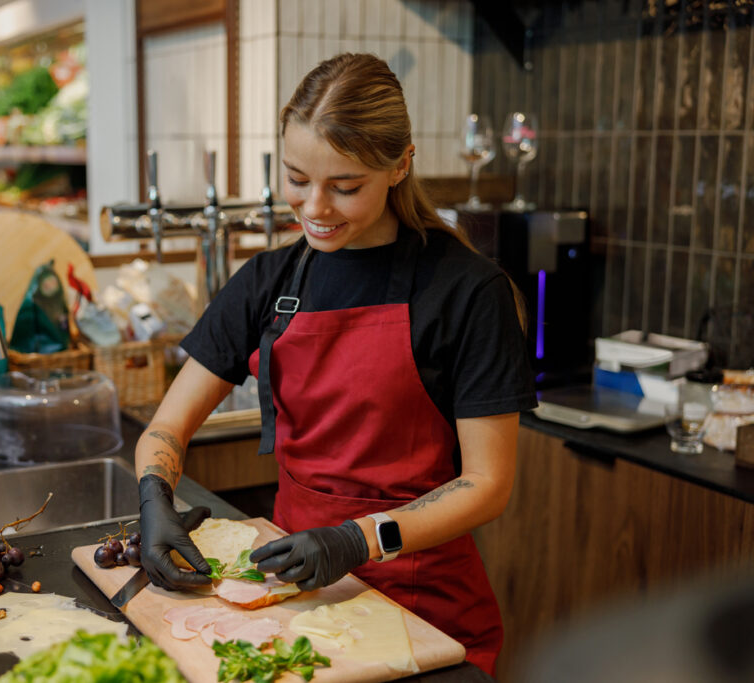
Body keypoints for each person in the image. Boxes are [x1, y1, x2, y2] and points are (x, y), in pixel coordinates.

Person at [135, 52, 536, 675]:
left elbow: (488, 485)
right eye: (298, 179)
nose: (315, 207)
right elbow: (167, 426)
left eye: (345, 187)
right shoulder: (267, 280)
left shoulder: (466, 291)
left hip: (424, 607)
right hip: (291, 593)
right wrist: (155, 496)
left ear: (400, 165)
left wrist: (357, 539)